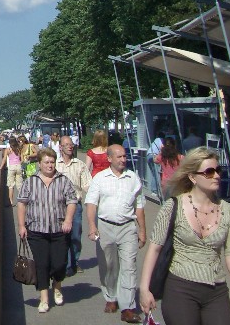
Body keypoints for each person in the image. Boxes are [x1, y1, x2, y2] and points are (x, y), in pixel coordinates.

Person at [139, 147, 230, 325]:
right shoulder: (172, 206)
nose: (216, 175)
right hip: (180, 288)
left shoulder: (228, 211)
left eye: (218, 170)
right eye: (209, 172)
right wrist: (144, 289)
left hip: (216, 290)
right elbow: (155, 249)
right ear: (193, 177)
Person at [86, 144, 146, 323]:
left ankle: (127, 307)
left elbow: (140, 206)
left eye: (125, 156)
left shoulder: (133, 178)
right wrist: (91, 226)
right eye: (119, 157)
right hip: (105, 227)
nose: (123, 160)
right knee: (109, 266)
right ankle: (111, 297)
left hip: (128, 227)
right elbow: (91, 203)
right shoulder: (100, 179)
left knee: (129, 267)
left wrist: (142, 230)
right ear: (109, 158)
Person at [17, 148, 78, 313]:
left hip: (59, 229)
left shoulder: (63, 181)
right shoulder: (30, 182)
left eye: (52, 162)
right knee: (42, 264)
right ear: (39, 164)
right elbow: (22, 203)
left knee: (59, 264)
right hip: (36, 230)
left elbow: (72, 201)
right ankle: (44, 298)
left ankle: (57, 285)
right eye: (46, 162)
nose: (50, 165)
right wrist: (21, 225)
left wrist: (68, 220)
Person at [56, 135, 91, 276]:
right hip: (59, 205)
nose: (70, 147)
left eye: (71, 144)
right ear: (60, 147)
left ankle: (75, 262)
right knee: (60, 237)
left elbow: (88, 185)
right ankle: (64, 264)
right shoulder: (55, 164)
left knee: (75, 236)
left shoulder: (80, 164)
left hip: (75, 205)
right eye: (66, 145)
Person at [0, 135, 24, 205]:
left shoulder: (8, 149)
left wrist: (1, 166)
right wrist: (19, 163)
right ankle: (21, 201)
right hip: (18, 166)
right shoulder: (19, 149)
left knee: (11, 186)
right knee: (19, 185)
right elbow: (22, 159)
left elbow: (4, 159)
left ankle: (10, 201)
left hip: (11, 167)